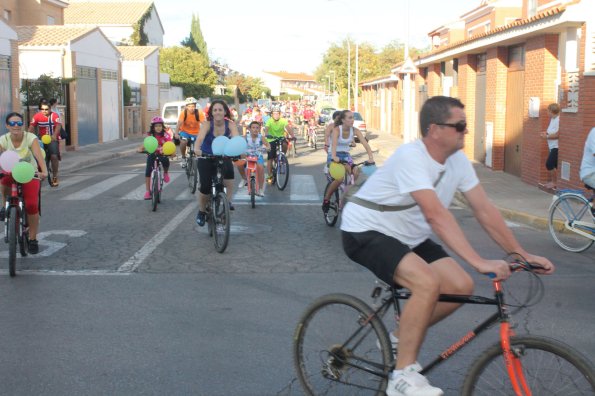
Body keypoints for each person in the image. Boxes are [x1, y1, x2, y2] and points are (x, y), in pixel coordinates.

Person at [340, 96, 555, 396]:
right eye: (460, 126)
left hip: (408, 236)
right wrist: (479, 261)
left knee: (459, 285)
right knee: (428, 283)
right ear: (434, 130)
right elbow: (436, 215)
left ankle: (398, 336)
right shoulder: (411, 158)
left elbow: (484, 210)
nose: (466, 132)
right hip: (365, 230)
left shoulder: (457, 163)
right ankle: (402, 377)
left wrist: (521, 253)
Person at [0, 112, 48, 254]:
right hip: (10, 173)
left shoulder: (30, 138)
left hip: (29, 173)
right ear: (7, 126)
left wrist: (44, 171)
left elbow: (39, 157)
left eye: (19, 123)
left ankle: (33, 239)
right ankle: (4, 206)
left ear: (23, 125)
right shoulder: (3, 140)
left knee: (32, 204)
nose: (16, 126)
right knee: (3, 180)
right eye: (13, 123)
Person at [194, 100, 239, 226]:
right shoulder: (207, 124)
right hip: (206, 156)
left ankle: (227, 202)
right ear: (212, 113)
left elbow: (236, 138)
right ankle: (202, 212)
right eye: (215, 110)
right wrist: (197, 150)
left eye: (220, 110)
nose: (218, 112)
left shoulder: (230, 124)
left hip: (223, 155)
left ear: (225, 112)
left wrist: (237, 151)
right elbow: (200, 139)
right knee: (205, 187)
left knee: (229, 176)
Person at [322, 110, 375, 213]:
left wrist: (371, 157)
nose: (352, 120)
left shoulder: (355, 130)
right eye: (350, 118)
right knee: (339, 178)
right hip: (334, 155)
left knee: (356, 172)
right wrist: (334, 156)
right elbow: (334, 145)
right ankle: (326, 200)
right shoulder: (337, 130)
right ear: (343, 120)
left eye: (353, 117)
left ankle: (346, 195)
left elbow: (365, 144)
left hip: (346, 155)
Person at [137, 116, 172, 200]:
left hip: (162, 154)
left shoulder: (166, 135)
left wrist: (171, 152)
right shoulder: (150, 135)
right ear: (153, 127)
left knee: (166, 161)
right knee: (148, 170)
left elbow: (170, 144)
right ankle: (147, 191)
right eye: (156, 126)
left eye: (160, 126)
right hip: (152, 154)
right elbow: (145, 144)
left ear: (162, 126)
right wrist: (140, 149)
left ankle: (166, 172)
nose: (158, 128)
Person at [29, 98, 61, 187]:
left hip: (52, 139)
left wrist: (54, 135)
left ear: (50, 109)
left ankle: (54, 177)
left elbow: (58, 126)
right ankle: (39, 174)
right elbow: (31, 127)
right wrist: (28, 137)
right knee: (36, 157)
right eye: (42, 109)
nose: (44, 111)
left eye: (46, 109)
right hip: (40, 140)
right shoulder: (37, 116)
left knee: (54, 156)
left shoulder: (54, 116)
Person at [234, 121, 270, 196]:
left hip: (258, 156)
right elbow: (239, 143)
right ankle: (244, 178)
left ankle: (260, 189)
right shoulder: (245, 137)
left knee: (261, 168)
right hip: (247, 156)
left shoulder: (261, 137)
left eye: (257, 128)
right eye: (253, 128)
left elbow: (267, 144)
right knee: (239, 163)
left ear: (259, 129)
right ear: (249, 129)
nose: (255, 129)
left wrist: (268, 147)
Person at [263, 108, 292, 184]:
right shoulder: (269, 120)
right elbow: (266, 128)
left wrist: (292, 135)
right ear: (272, 114)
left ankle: (282, 156)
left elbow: (288, 128)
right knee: (270, 158)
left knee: (285, 144)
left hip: (280, 138)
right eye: (274, 114)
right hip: (271, 139)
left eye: (277, 113)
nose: (276, 115)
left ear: (280, 114)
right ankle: (269, 175)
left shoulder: (283, 120)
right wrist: (266, 134)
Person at [176, 97, 205, 167]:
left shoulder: (199, 113)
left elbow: (204, 123)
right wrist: (176, 133)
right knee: (183, 142)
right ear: (186, 107)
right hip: (185, 132)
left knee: (200, 146)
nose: (191, 108)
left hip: (196, 133)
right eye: (189, 106)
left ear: (195, 106)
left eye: (193, 106)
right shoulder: (183, 113)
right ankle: (183, 157)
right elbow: (179, 123)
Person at [541, 103, 560, 189]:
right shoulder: (552, 119)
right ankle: (556, 182)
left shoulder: (558, 120)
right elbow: (551, 131)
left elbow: (557, 134)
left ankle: (554, 182)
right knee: (555, 166)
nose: (547, 113)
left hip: (556, 146)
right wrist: (546, 133)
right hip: (551, 146)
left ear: (552, 111)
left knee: (549, 164)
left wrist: (547, 136)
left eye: (548, 111)